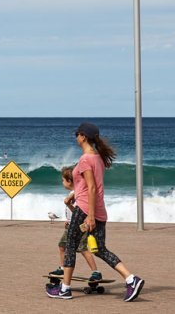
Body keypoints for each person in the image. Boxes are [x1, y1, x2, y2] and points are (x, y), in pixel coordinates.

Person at [46, 123, 145, 302]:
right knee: (99, 249)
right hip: (99, 209)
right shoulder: (98, 158)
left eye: (77, 134)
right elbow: (88, 186)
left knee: (70, 246)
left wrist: (89, 215)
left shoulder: (85, 159)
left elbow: (91, 188)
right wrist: (75, 197)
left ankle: (64, 289)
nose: (76, 137)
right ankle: (131, 279)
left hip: (85, 209)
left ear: (83, 136)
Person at [49, 165, 99, 280]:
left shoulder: (77, 194)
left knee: (82, 248)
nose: (62, 182)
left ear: (70, 181)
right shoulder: (73, 193)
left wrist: (68, 204)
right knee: (62, 245)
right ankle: (62, 268)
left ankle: (96, 272)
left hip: (80, 226)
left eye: (63, 180)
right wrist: (69, 221)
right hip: (72, 225)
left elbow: (79, 212)